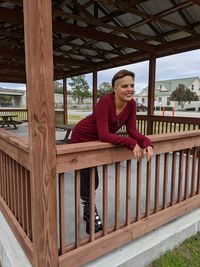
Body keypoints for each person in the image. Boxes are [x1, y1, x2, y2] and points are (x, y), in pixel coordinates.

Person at [70, 69, 154, 234]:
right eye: (124, 86)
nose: (129, 89)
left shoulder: (131, 104)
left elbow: (132, 130)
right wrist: (131, 144)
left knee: (94, 179)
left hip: (96, 141)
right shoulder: (105, 102)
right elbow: (104, 134)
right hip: (82, 138)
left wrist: (146, 143)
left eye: (132, 85)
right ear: (114, 88)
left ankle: (88, 209)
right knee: (89, 177)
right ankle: (90, 211)